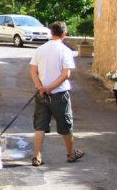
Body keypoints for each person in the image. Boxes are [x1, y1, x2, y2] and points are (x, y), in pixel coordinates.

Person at [28, 21, 83, 166]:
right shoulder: (65, 50)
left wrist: (40, 87)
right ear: (64, 34)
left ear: (51, 33)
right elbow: (66, 74)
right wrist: (50, 87)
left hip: (41, 93)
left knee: (40, 124)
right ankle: (71, 153)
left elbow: (33, 70)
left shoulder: (40, 49)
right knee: (65, 123)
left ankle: (37, 156)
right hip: (59, 92)